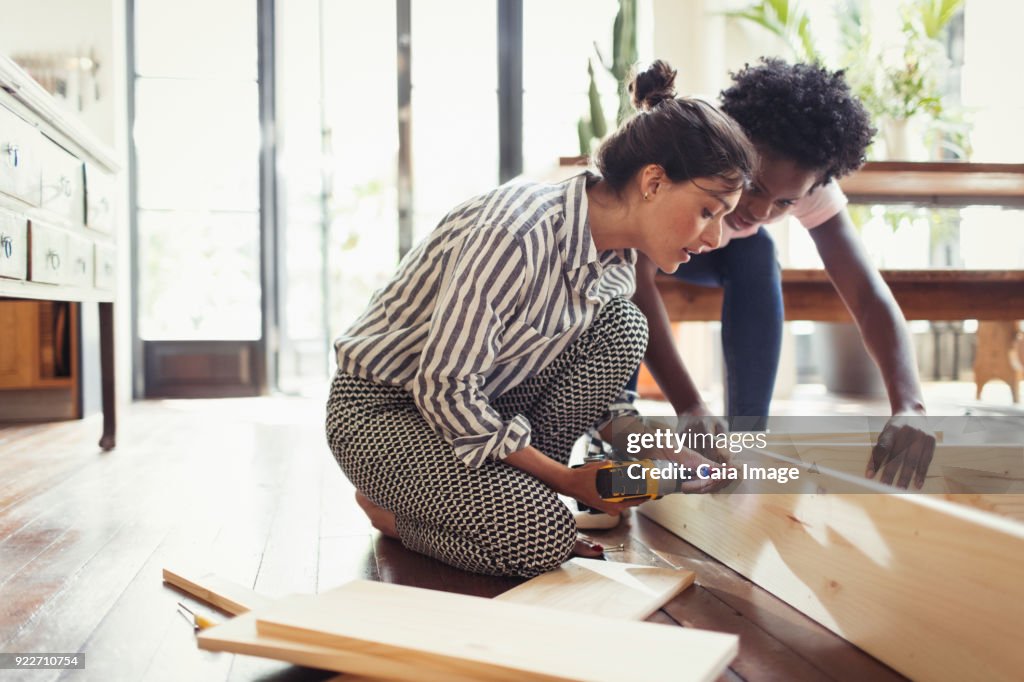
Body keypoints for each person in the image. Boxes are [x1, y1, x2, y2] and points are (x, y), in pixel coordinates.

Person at [326, 60, 755, 578]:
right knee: (542, 539)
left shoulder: (619, 266)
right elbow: (445, 390)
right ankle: (392, 513)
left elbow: (609, 405)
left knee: (626, 326)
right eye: (710, 212)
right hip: (385, 411)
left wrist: (679, 456)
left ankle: (509, 497)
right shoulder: (517, 233)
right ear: (653, 182)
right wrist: (564, 481)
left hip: (486, 412)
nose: (715, 238)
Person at [631, 58, 936, 489]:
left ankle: (746, 435)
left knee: (757, 250)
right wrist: (691, 407)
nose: (760, 210)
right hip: (640, 252)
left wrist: (910, 408)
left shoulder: (805, 183)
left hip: (719, 256)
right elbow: (635, 282)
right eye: (753, 186)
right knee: (616, 285)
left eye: (785, 204)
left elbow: (867, 296)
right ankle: (616, 418)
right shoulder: (691, 146)